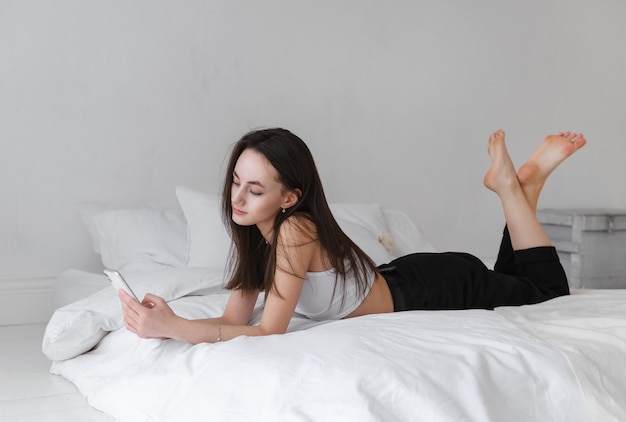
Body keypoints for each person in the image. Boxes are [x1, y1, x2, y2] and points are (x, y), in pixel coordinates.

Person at [119, 128, 587, 343]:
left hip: (429, 288)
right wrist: (172, 320)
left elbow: (267, 330)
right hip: (406, 277)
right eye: (236, 181)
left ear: (289, 197)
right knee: (520, 283)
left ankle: (514, 189)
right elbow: (232, 318)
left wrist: (175, 330)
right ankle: (524, 188)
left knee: (548, 295)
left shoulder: (295, 230)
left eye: (255, 189)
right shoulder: (256, 236)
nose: (237, 197)